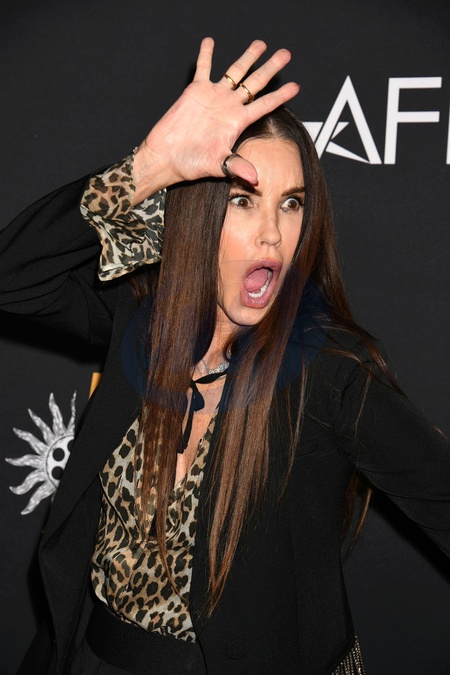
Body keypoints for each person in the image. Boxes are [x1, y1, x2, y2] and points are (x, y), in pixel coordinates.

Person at [0, 37, 449, 675]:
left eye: (291, 203)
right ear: (199, 210)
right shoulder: (139, 320)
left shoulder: (329, 372)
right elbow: (13, 278)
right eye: (243, 200)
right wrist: (150, 166)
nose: (272, 234)